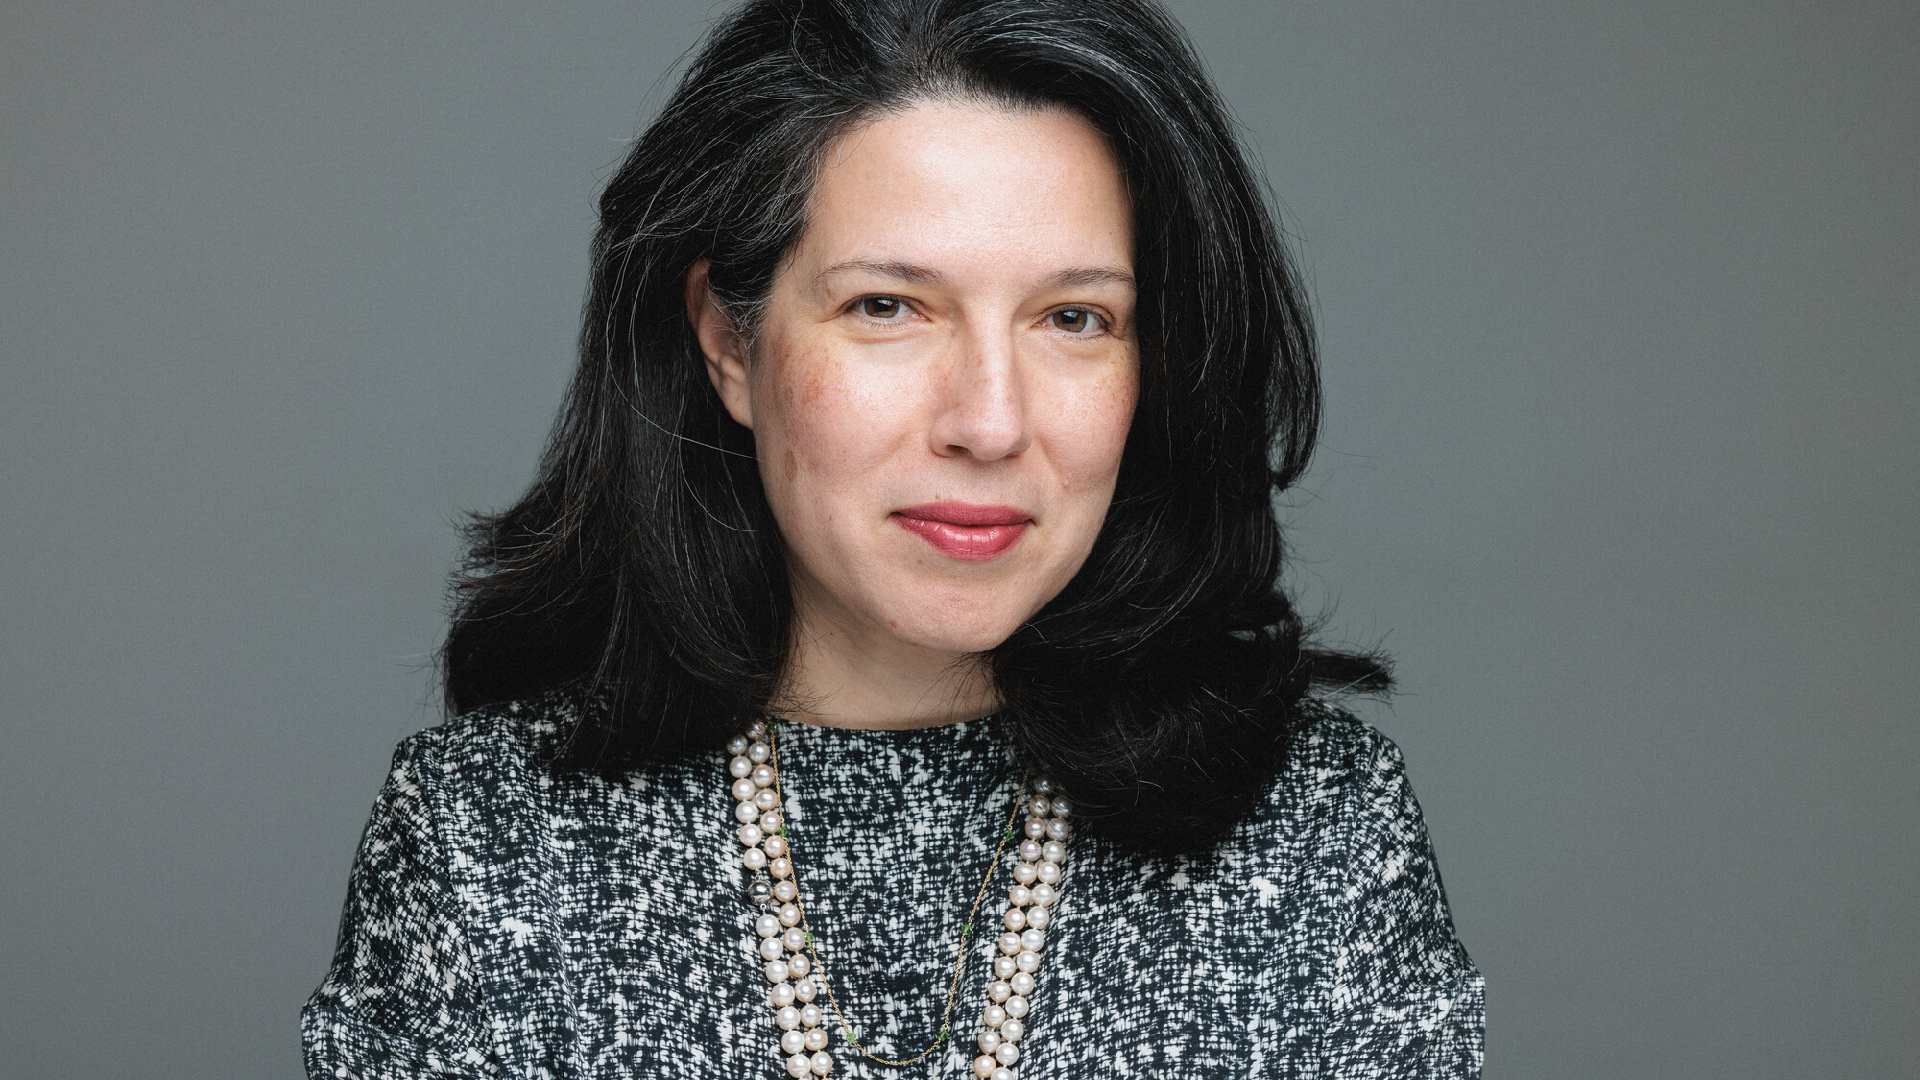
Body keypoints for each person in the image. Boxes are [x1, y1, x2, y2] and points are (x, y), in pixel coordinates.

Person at [300, 0, 1486, 1076]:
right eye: (889, 307)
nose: (989, 420)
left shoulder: (1320, 839)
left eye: (1075, 318)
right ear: (728, 340)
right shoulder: (485, 847)